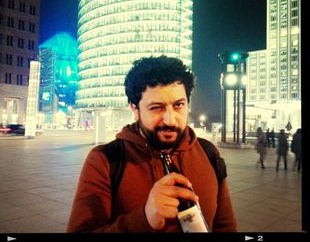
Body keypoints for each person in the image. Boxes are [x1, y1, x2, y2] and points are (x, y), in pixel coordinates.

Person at [67, 55, 237, 233]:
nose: (170, 120)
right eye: (156, 108)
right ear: (135, 109)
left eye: (178, 105)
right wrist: (143, 220)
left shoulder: (208, 153)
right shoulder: (105, 160)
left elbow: (225, 225)